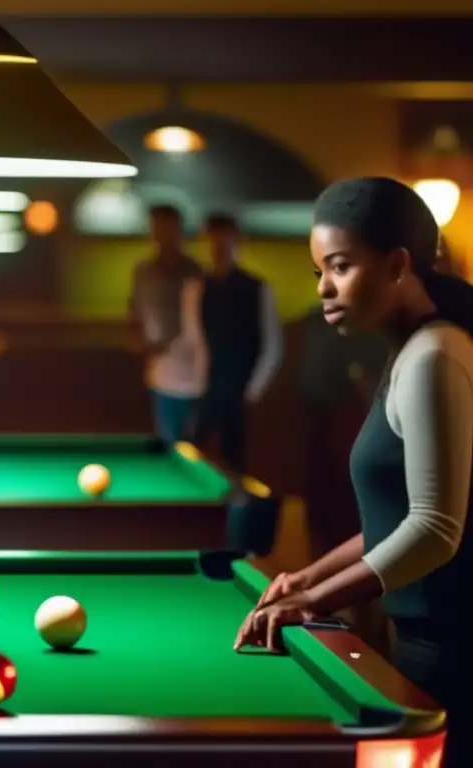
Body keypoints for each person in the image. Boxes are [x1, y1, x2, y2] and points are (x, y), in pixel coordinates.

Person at [233, 177, 473, 766]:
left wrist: (315, 602)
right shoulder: (415, 350)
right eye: (319, 271)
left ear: (396, 265)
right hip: (430, 635)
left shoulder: (435, 355)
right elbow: (399, 518)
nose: (324, 288)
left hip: (455, 646)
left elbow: (435, 529)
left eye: (339, 266)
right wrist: (307, 578)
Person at [183, 214, 283, 478]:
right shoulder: (196, 287)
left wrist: (252, 391)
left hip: (240, 388)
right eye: (212, 243)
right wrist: (195, 382)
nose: (218, 249)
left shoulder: (257, 288)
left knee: (234, 459)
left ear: (236, 242)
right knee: (190, 447)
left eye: (224, 243)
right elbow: (194, 338)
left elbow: (272, 346)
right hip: (204, 386)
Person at [128, 204, 205, 445]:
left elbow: (202, 323)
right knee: (165, 439)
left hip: (193, 369)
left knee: (191, 443)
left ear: (178, 230)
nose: (161, 234)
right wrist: (137, 340)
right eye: (157, 228)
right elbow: (134, 312)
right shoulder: (143, 272)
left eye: (167, 228)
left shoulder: (196, 272)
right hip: (158, 369)